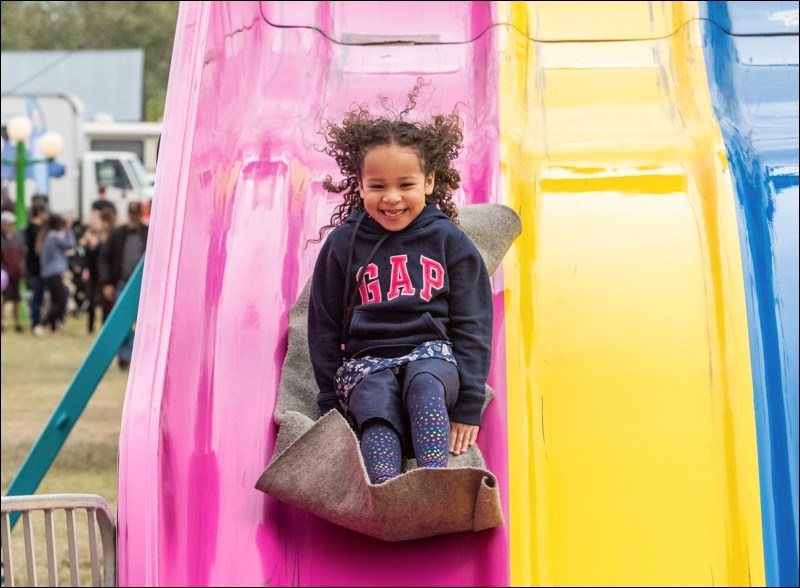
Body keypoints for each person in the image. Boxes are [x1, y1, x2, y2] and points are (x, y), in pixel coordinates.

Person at [307, 79, 493, 485]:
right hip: (366, 362)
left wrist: (468, 405)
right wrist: (327, 401)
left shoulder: (449, 242)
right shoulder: (344, 244)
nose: (391, 198)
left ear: (429, 182)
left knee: (425, 386)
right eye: (377, 186)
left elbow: (473, 322)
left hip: (431, 354)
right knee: (375, 407)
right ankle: (388, 491)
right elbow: (322, 324)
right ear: (360, 185)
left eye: (405, 185)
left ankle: (430, 482)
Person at [98, 200, 148, 368]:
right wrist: (106, 283)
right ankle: (125, 357)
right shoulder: (118, 234)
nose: (133, 217)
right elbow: (104, 258)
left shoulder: (149, 233)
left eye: (136, 214)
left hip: (144, 286)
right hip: (122, 283)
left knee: (142, 322)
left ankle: (137, 354)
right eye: (131, 214)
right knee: (123, 322)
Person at [36, 213, 76, 333]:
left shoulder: (46, 236)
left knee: (55, 299)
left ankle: (53, 327)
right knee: (60, 299)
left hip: (49, 273)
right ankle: (42, 324)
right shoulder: (54, 237)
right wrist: (69, 230)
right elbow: (70, 244)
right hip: (54, 273)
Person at [23, 201, 49, 335]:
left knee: (38, 296)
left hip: (35, 268)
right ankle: (36, 323)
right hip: (37, 268)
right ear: (40, 213)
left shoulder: (29, 228)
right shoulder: (36, 230)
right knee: (37, 297)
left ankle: (38, 322)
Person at [1, 211, 26, 332]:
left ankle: (17, 323)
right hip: (5, 276)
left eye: (12, 224)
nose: (10, 227)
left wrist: (21, 272)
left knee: (17, 299)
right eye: (8, 224)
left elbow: (22, 256)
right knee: (5, 300)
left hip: (16, 274)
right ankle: (2, 322)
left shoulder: (18, 239)